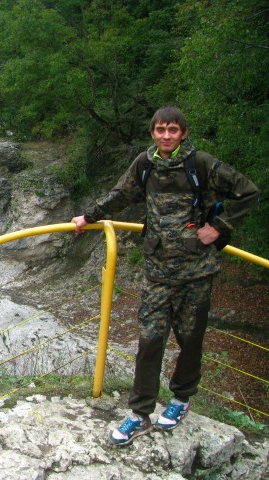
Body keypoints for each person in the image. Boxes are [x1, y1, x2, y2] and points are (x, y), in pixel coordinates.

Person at [70, 106, 259, 446]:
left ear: (183, 133)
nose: (167, 136)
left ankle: (181, 400)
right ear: (153, 133)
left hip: (196, 272)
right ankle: (139, 414)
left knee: (190, 341)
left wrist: (217, 227)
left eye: (173, 130)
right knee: (149, 340)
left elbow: (249, 192)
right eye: (160, 130)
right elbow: (120, 195)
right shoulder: (145, 165)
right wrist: (88, 216)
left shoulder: (201, 164)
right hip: (157, 273)